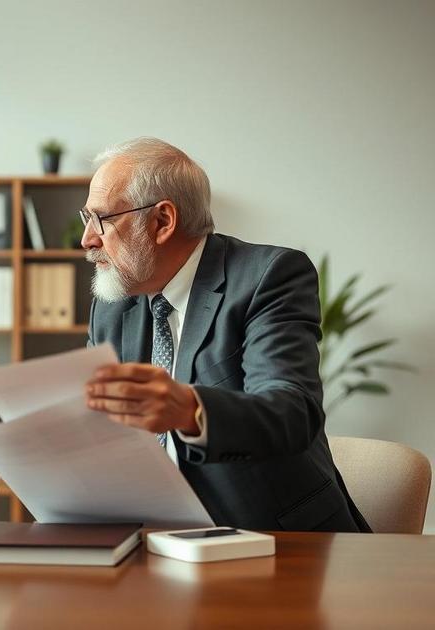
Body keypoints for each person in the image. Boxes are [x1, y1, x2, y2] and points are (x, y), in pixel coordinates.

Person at [82, 138, 369, 532]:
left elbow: (292, 412)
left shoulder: (268, 276)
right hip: (155, 537)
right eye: (87, 219)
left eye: (102, 220)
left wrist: (190, 409)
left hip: (277, 540)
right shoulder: (113, 306)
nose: (88, 239)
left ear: (162, 222)